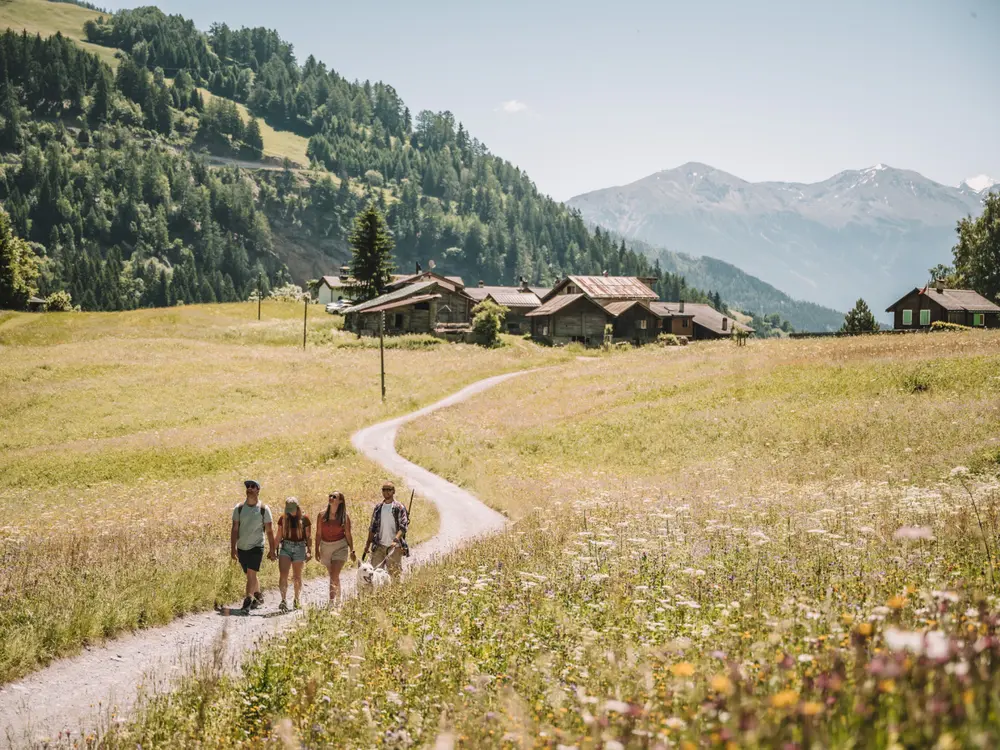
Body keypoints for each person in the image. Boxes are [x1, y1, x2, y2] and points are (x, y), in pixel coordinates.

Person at [230, 479, 276, 612]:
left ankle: (247, 602)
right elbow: (234, 529)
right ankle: (258, 595)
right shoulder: (238, 509)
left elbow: (269, 531)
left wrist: (272, 549)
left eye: (252, 486)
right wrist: (233, 548)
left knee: (251, 574)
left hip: (257, 546)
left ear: (258, 490)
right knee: (250, 574)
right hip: (242, 547)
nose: (249, 488)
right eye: (247, 486)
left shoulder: (264, 509)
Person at [316, 491, 357, 604]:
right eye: (330, 496)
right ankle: (339, 599)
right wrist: (316, 549)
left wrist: (352, 550)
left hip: (340, 546)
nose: (331, 498)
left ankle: (331, 603)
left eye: (334, 497)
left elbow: (348, 534)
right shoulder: (321, 515)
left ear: (340, 501)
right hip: (326, 546)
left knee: (334, 575)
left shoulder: (344, 517)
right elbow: (318, 533)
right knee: (333, 575)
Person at [363, 481, 409, 580]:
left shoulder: (399, 507)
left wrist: (396, 540)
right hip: (379, 546)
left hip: (394, 548)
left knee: (394, 576)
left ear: (393, 491)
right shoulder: (378, 508)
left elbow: (403, 527)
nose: (386, 492)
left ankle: (395, 595)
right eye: (384, 489)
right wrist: (367, 544)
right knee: (374, 575)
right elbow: (372, 527)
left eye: (389, 489)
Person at [275, 497, 311, 611]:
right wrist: (273, 549)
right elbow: (279, 534)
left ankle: (296, 599)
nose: (290, 511)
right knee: (283, 574)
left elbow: (308, 536)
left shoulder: (305, 519)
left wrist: (309, 551)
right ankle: (283, 600)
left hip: (300, 547)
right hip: (286, 546)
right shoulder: (283, 518)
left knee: (296, 576)